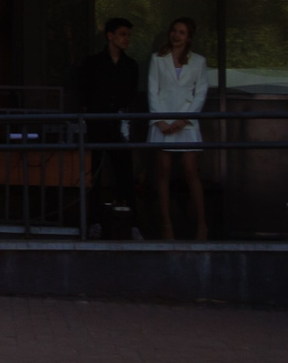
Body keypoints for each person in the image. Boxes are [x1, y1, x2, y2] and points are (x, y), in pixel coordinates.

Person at [69, 17, 143, 233]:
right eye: (122, 34)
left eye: (128, 35)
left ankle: (130, 223)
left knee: (125, 174)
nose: (127, 39)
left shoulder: (130, 65)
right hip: (97, 122)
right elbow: (83, 92)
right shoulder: (92, 63)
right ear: (110, 36)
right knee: (95, 174)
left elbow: (130, 94)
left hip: (119, 124)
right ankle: (95, 221)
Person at [147, 16, 211, 241]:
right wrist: (160, 120)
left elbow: (201, 92)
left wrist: (185, 119)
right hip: (162, 120)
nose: (176, 35)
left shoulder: (198, 61)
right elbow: (152, 90)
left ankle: (202, 225)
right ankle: (166, 225)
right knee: (162, 172)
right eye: (174, 30)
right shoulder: (158, 59)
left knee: (191, 171)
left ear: (189, 36)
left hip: (187, 122)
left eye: (182, 32)